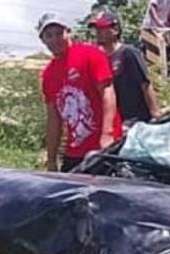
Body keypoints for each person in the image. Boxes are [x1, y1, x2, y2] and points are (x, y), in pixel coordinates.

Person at [38, 13, 121, 171]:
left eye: (59, 33)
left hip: (104, 145)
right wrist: (51, 159)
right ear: (43, 40)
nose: (55, 39)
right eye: (49, 35)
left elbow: (107, 93)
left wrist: (107, 135)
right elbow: (54, 118)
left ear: (68, 32)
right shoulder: (48, 74)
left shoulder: (90, 54)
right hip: (74, 150)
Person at [90, 9, 159, 126]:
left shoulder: (129, 53)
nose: (98, 32)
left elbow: (145, 84)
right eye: (96, 29)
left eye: (102, 28)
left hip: (136, 119)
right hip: (115, 121)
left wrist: (156, 115)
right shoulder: (97, 57)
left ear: (115, 30)